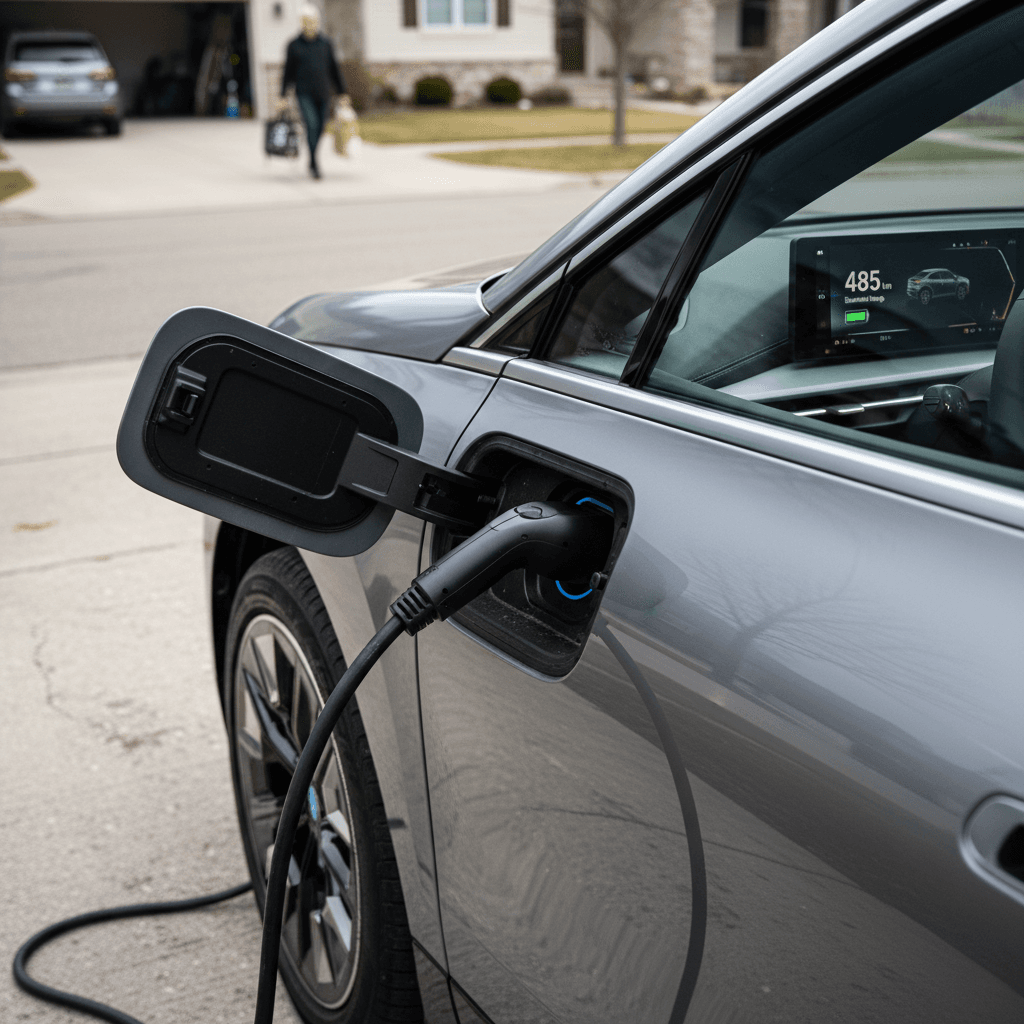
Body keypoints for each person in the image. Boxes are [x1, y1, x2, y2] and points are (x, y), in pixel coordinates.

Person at [278, 4, 347, 179]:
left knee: (321, 128)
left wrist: (342, 93)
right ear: (302, 23)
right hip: (304, 93)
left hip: (323, 93)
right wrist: (283, 95)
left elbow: (334, 69)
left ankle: (311, 159)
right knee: (312, 125)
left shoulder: (325, 44)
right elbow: (288, 72)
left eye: (314, 21)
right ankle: (314, 162)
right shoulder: (294, 45)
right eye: (307, 21)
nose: (311, 24)